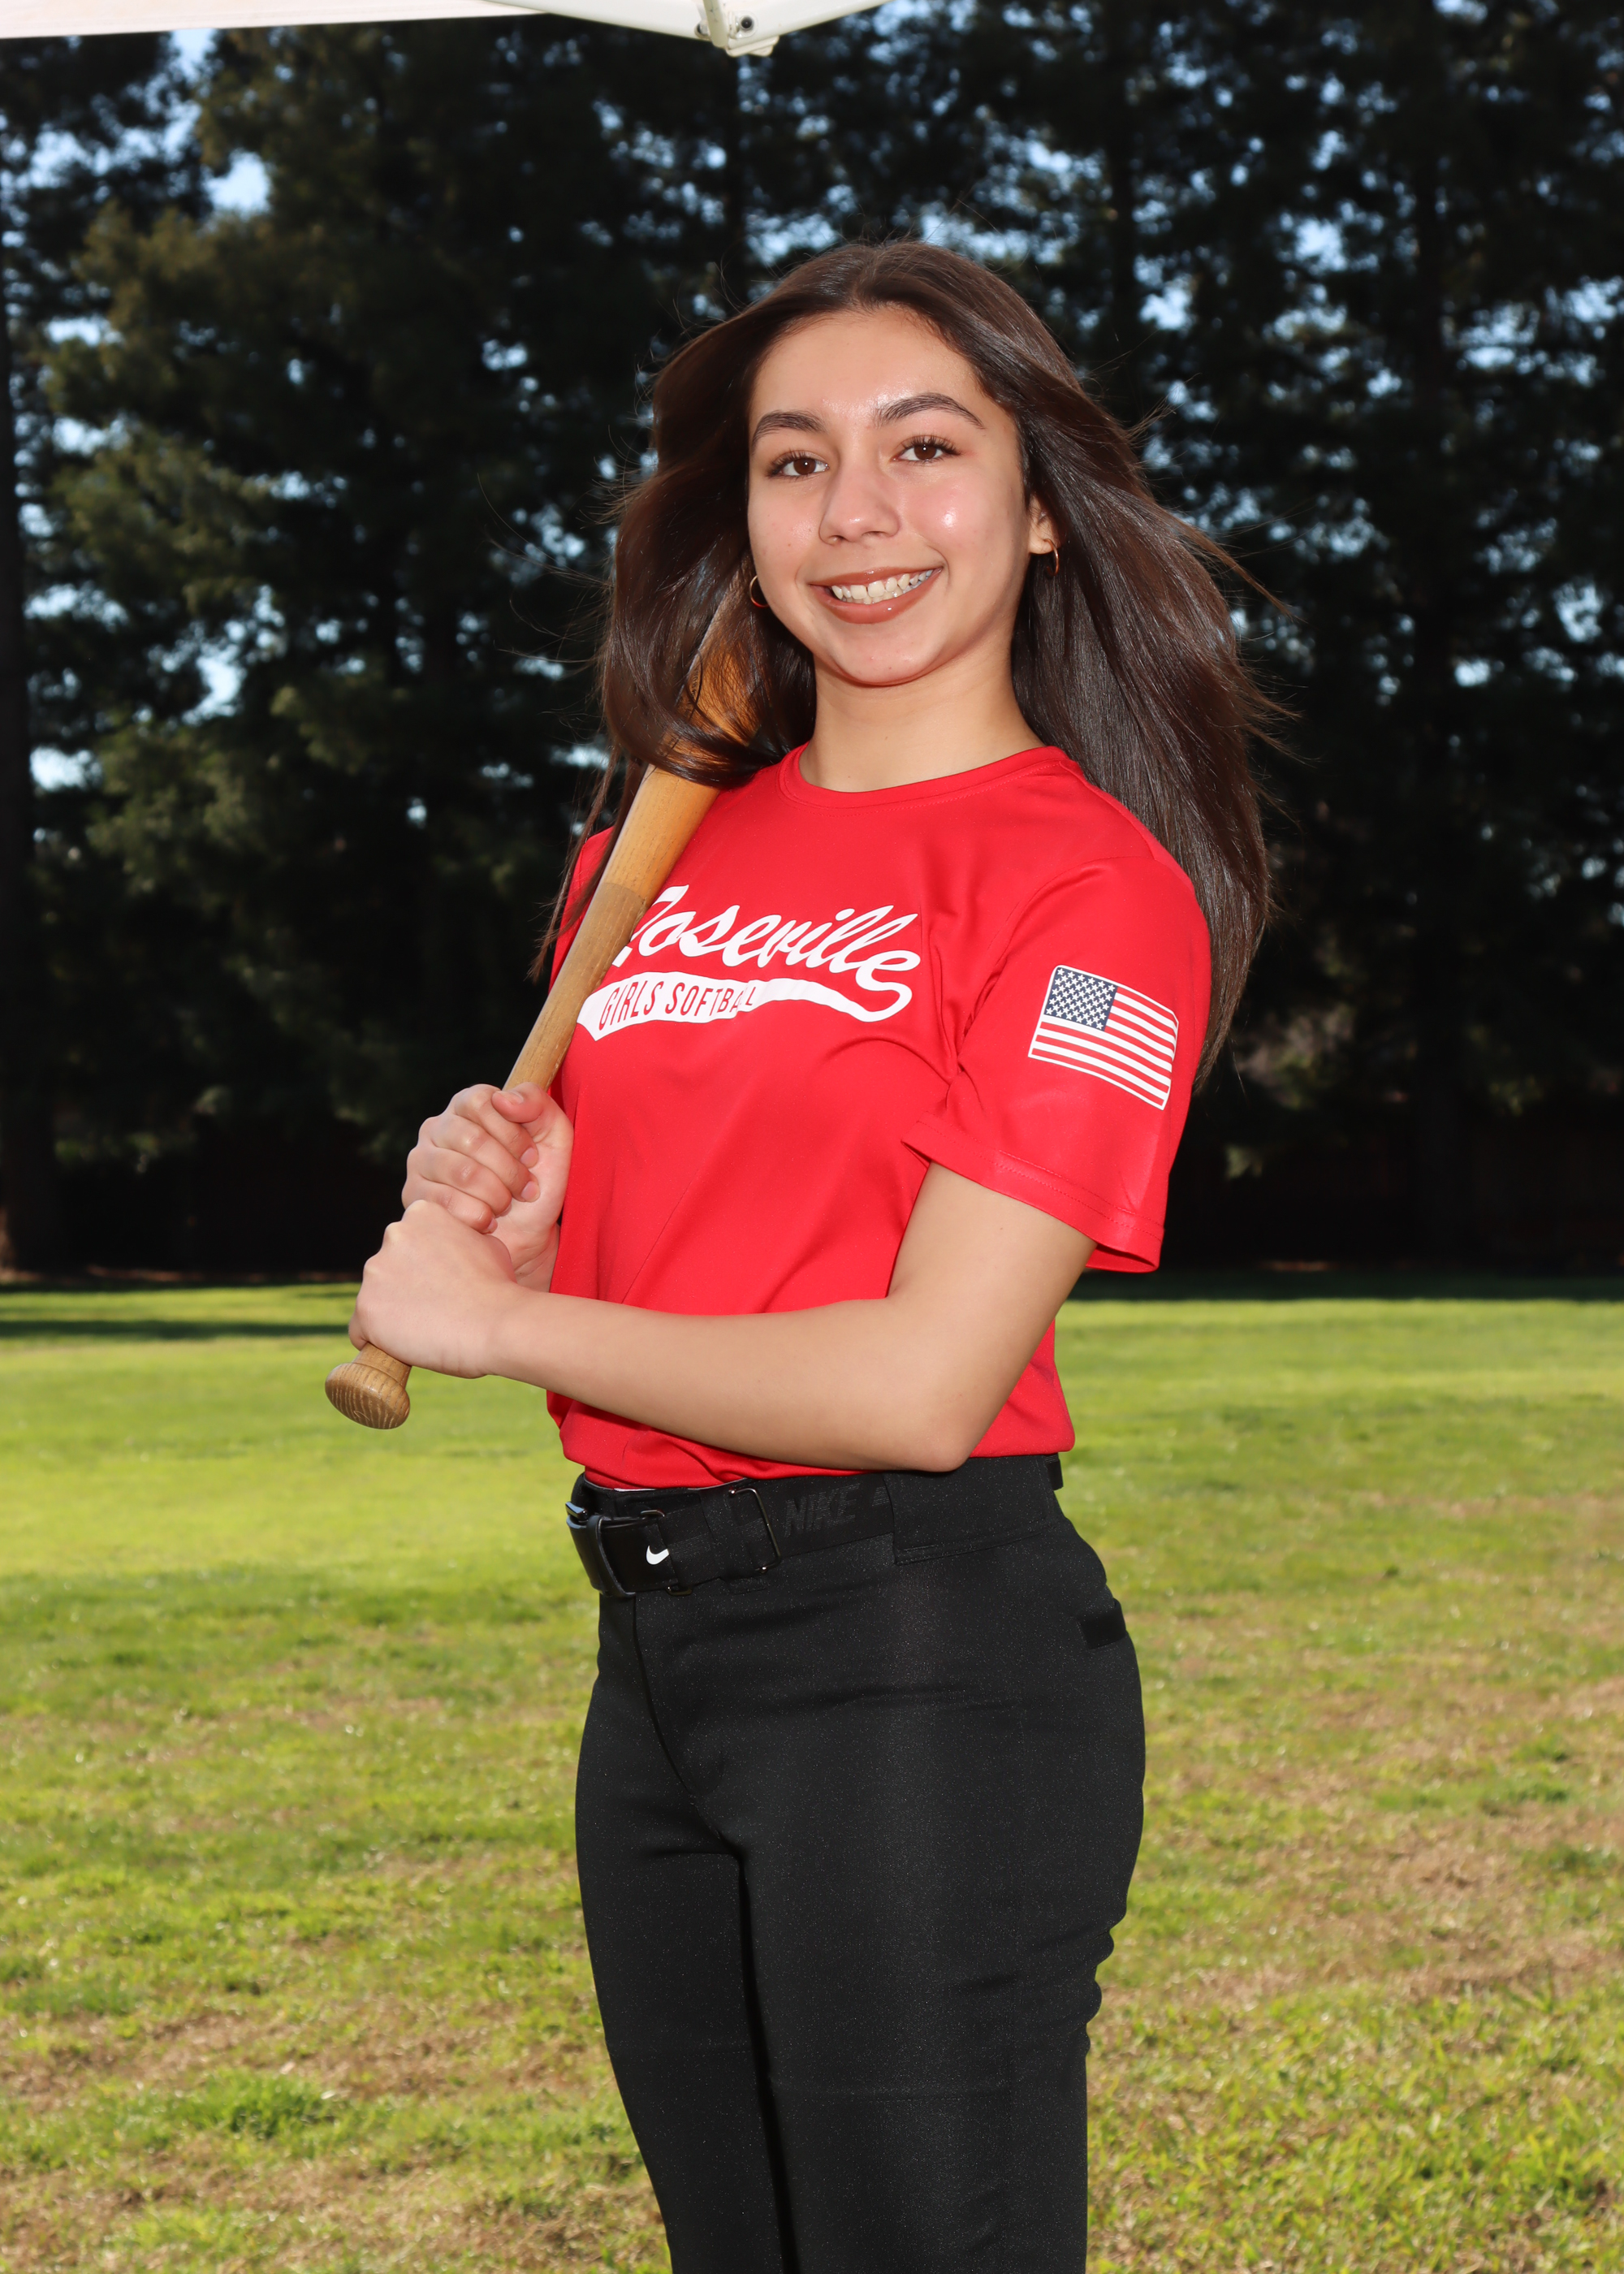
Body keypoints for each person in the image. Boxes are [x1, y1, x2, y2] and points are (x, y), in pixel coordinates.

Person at [348, 240, 1271, 2273]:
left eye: (923, 448)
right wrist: (529, 1211)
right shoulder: (652, 854)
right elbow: (690, 1225)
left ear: (1040, 507)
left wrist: (505, 1319)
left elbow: (923, 1380)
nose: (855, 512)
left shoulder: (1095, 891)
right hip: (656, 1657)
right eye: (793, 460)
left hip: (915, 1657)